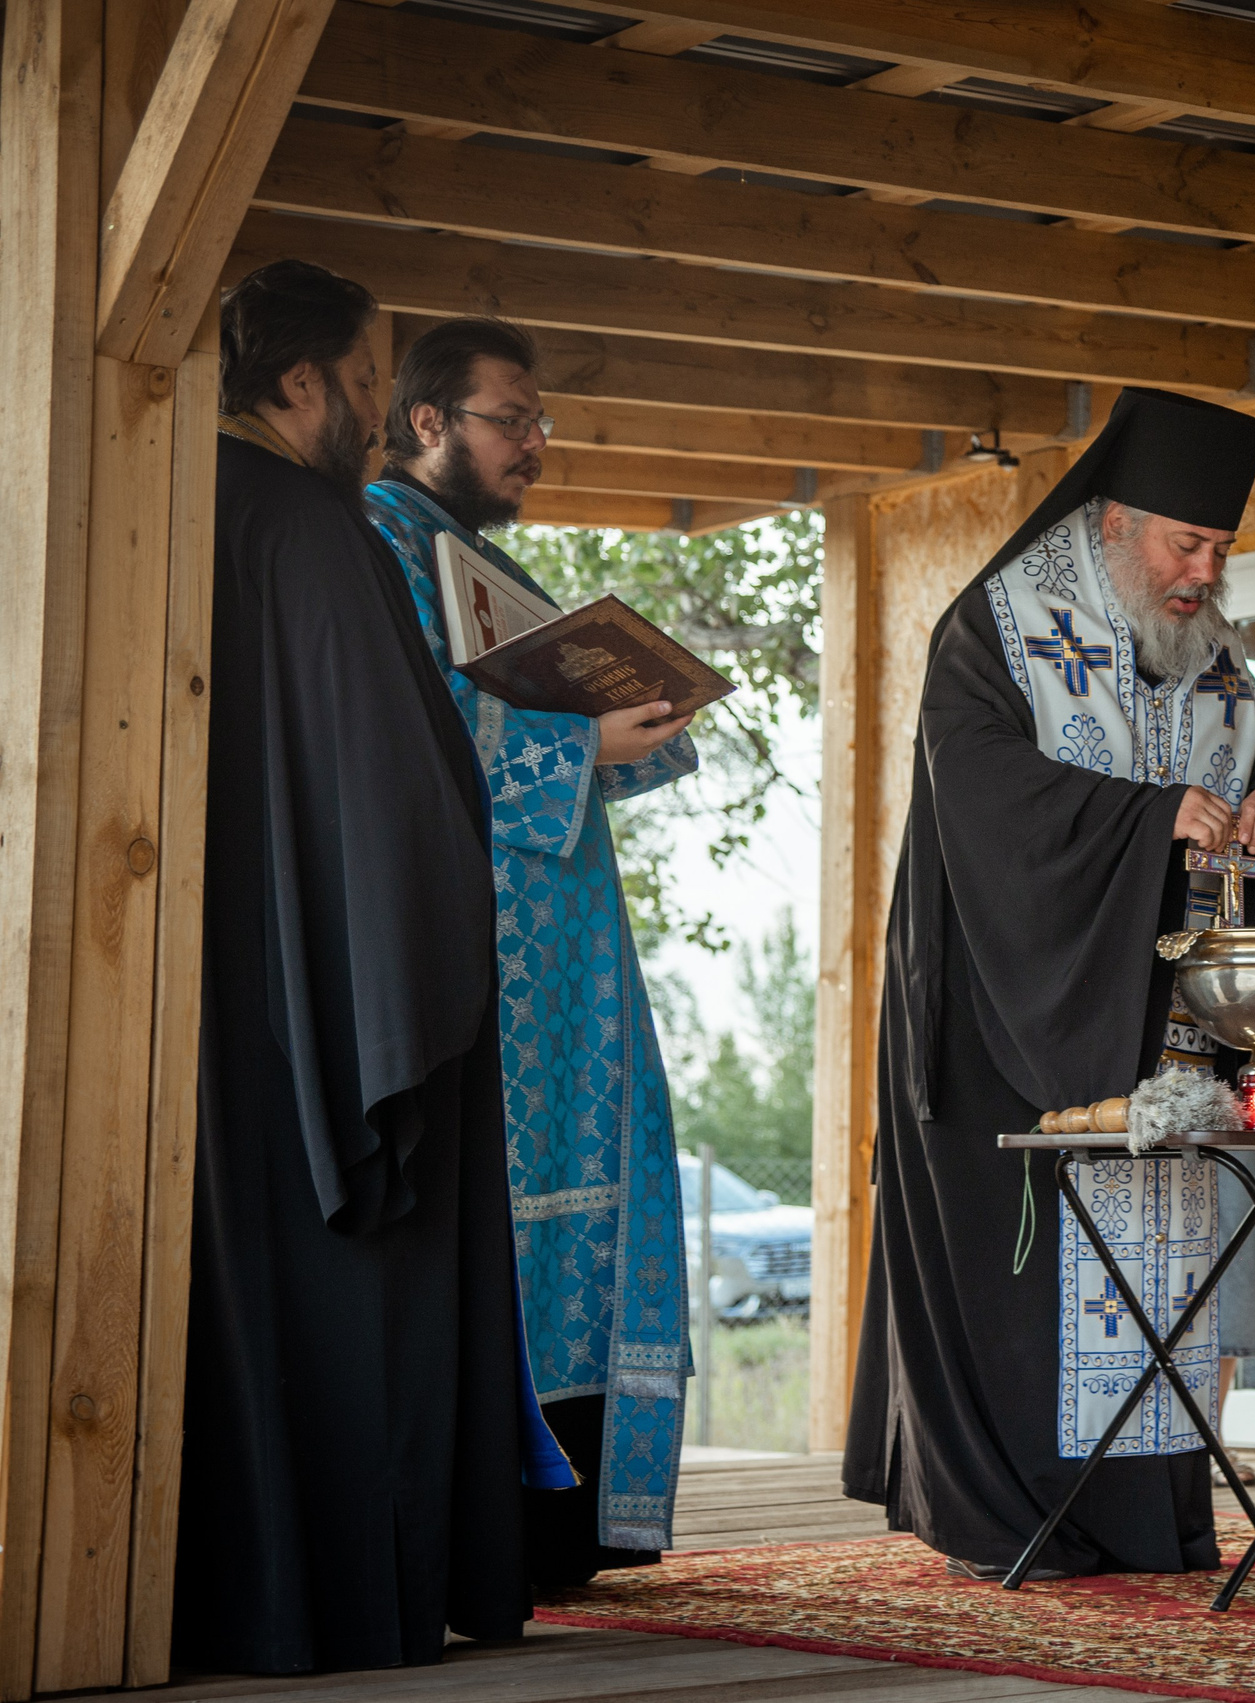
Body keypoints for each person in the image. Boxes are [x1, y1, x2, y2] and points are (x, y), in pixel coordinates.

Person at [843, 386, 1255, 1578]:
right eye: (1185, 542)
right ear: (1111, 524)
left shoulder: (1206, 649)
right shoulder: (996, 625)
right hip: (1009, 1010)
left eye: (1219, 549)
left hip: (1154, 1027)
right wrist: (1148, 820)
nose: (1204, 573)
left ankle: (1147, 1518)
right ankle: (1018, 1515)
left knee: (1154, 1272)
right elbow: (985, 794)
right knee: (1040, 1282)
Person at [174, 260, 530, 1670]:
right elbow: (388, 796)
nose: (384, 414)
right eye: (375, 381)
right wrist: (426, 990)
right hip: (338, 1008)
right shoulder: (315, 532)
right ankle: (344, 1604)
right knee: (351, 1299)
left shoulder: (187, 505)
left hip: (224, 995)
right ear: (305, 381)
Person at [364, 317, 697, 1585]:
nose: (538, 444)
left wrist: (639, 713)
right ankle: (509, 1518)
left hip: (569, 952)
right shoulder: (384, 541)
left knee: (588, 1198)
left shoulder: (474, 556)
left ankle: (574, 1521)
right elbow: (413, 735)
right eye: (515, 418)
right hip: (483, 947)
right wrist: (576, 747)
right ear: (430, 419)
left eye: (542, 420)